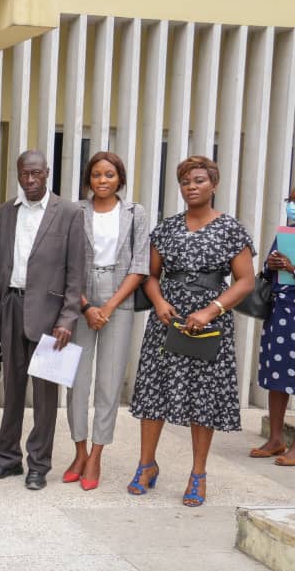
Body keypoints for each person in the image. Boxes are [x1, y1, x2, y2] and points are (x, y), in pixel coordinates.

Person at [128, 155, 255, 507]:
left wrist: (211, 310)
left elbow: (245, 280)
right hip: (167, 319)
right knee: (154, 391)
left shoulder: (230, 229)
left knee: (204, 397)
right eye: (185, 182)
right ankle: (146, 465)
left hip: (210, 322)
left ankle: (198, 474)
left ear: (214, 184)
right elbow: (151, 274)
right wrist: (158, 302)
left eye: (199, 180)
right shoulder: (166, 228)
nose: (191, 187)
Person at [0, 150, 86, 491]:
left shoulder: (68, 212)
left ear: (47, 172)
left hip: (51, 316)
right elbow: (1, 268)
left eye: (36, 173)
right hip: (11, 306)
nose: (30, 179)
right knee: (11, 390)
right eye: (25, 173)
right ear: (18, 173)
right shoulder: (7, 211)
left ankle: (38, 465)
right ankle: (7, 459)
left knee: (44, 396)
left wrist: (68, 318)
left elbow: (76, 271)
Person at [62, 152, 148, 490]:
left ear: (119, 179)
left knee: (109, 384)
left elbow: (139, 264)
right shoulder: (75, 211)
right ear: (88, 178)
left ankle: (96, 455)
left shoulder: (135, 212)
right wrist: (85, 306)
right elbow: (65, 262)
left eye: (109, 175)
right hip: (80, 295)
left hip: (119, 294)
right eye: (96, 174)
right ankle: (79, 452)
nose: (102, 180)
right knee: (77, 381)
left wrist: (109, 306)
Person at [252, 186, 295, 466]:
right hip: (281, 312)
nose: (292, 206)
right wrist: (272, 264)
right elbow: (267, 274)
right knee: (277, 377)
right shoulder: (287, 234)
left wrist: (292, 268)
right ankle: (276, 439)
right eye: (292, 201)